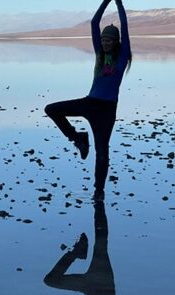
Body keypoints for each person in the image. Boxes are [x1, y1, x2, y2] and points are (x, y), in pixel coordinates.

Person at [44, 0, 132, 201]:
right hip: (89, 103)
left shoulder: (123, 56)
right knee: (51, 109)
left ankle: (99, 192)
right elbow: (94, 23)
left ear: (116, 41)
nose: (105, 42)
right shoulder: (99, 54)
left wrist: (118, 3)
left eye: (109, 40)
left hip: (107, 111)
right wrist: (106, 1)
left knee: (102, 154)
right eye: (103, 39)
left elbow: (125, 26)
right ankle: (78, 138)